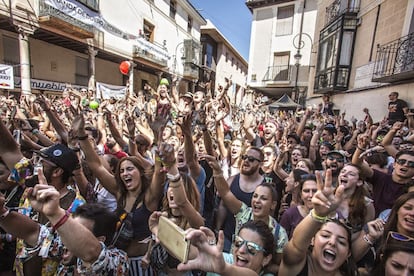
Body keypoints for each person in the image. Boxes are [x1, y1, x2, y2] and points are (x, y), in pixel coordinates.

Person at [72, 115, 164, 275]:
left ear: (141, 173)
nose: (125, 173)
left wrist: (158, 135)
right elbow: (95, 165)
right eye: (121, 170)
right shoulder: (120, 193)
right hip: (120, 261)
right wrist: (81, 134)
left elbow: (159, 169)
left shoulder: (150, 198)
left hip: (142, 264)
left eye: (130, 169)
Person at [0, 180, 129, 275]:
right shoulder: (64, 246)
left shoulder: (117, 261)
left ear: (100, 240)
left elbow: (91, 253)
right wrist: (1, 211)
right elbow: (32, 232)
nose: (66, 233)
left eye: (75, 229)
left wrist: (55, 213)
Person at [204, 154, 288, 274]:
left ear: (273, 205)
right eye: (255, 196)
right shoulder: (244, 212)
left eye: (263, 198)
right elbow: (225, 193)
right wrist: (217, 171)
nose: (257, 201)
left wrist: (255, 267)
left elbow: (279, 266)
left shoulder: (279, 234)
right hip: (232, 264)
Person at [279, 169, 358, 276]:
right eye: (325, 236)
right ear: (312, 241)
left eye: (342, 242)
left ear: (348, 253)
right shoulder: (295, 266)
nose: (332, 242)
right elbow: (296, 246)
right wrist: (317, 214)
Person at [178, 220, 275, 276]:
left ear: (266, 259)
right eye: (238, 242)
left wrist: (224, 269)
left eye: (251, 248)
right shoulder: (224, 259)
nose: (241, 250)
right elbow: (186, 250)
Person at [352, 134, 414, 216]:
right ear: (394, 164)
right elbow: (357, 163)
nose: (405, 165)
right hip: (374, 224)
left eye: (411, 164)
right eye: (402, 161)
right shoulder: (381, 177)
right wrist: (361, 148)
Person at [280, 174, 317, 238]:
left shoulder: (330, 215)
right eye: (306, 191)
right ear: (301, 194)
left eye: (314, 191)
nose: (311, 195)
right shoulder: (290, 214)